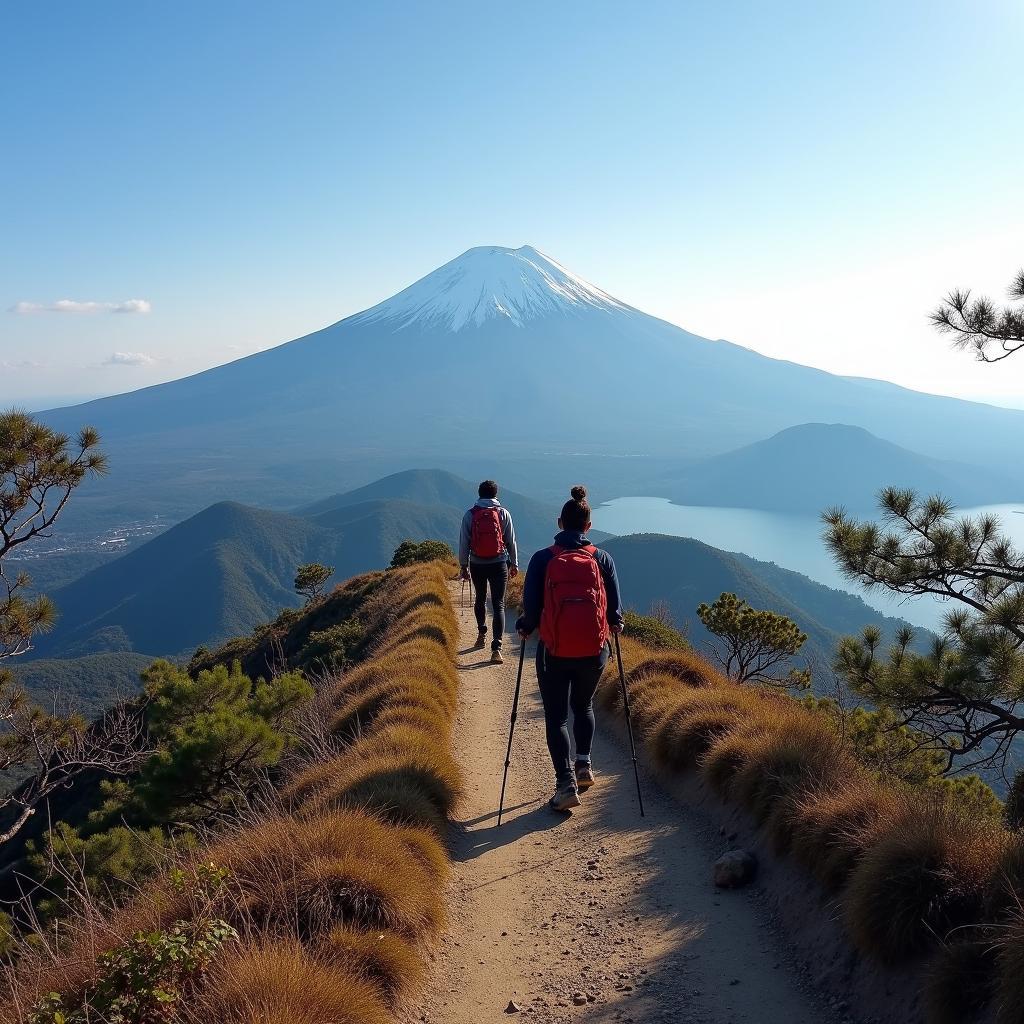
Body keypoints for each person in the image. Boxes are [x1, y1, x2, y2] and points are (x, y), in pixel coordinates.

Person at [516, 485, 624, 812]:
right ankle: (584, 764)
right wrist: (614, 625)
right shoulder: (602, 559)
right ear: (588, 526)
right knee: (584, 706)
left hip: (555, 652)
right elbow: (615, 614)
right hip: (594, 651)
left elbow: (531, 613)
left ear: (560, 523)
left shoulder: (542, 560)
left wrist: (524, 627)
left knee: (556, 716)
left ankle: (565, 783)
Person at [459, 479, 518, 664]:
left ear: (479, 493)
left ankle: (481, 632)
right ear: (496, 494)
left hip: (477, 563)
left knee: (480, 598)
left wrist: (463, 565)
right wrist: (514, 563)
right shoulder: (503, 513)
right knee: (499, 604)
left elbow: (464, 542)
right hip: (499, 563)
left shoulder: (470, 514)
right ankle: (497, 648)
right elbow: (511, 540)